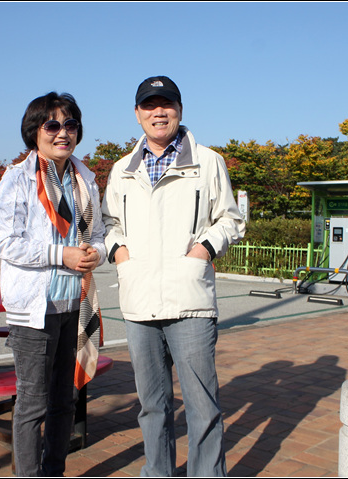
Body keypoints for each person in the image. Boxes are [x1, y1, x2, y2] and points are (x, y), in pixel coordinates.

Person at [102, 75, 246, 477]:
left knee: (202, 406)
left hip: (190, 300)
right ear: (137, 114)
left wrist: (203, 250)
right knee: (152, 406)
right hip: (139, 300)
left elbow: (231, 219)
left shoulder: (208, 162)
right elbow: (109, 223)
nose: (158, 112)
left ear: (180, 110)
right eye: (149, 105)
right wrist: (121, 255)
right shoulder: (122, 170)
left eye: (166, 104)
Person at [0, 92, 106, 476]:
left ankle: (54, 470)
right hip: (34, 310)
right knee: (32, 403)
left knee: (64, 401)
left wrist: (95, 254)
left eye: (70, 124)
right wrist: (62, 255)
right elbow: (5, 243)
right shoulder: (17, 178)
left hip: (76, 304)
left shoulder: (84, 179)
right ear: (35, 132)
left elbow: (99, 235)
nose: (63, 133)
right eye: (52, 125)